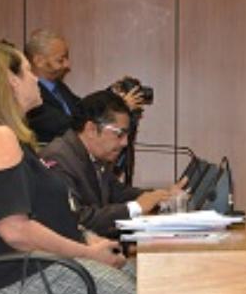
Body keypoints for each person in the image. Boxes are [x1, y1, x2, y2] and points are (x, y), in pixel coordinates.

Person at [0, 41, 165, 294]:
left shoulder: (15, 138)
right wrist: (86, 253)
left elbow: (46, 215)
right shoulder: (1, 137)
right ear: (10, 80)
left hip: (38, 265)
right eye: (27, 70)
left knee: (149, 283)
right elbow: (15, 229)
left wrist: (88, 241)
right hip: (18, 276)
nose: (36, 78)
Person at [40, 90, 183, 238]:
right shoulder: (58, 158)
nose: (125, 142)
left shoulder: (94, 156)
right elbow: (77, 219)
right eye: (119, 134)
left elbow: (118, 192)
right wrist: (135, 208)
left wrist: (160, 196)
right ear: (91, 129)